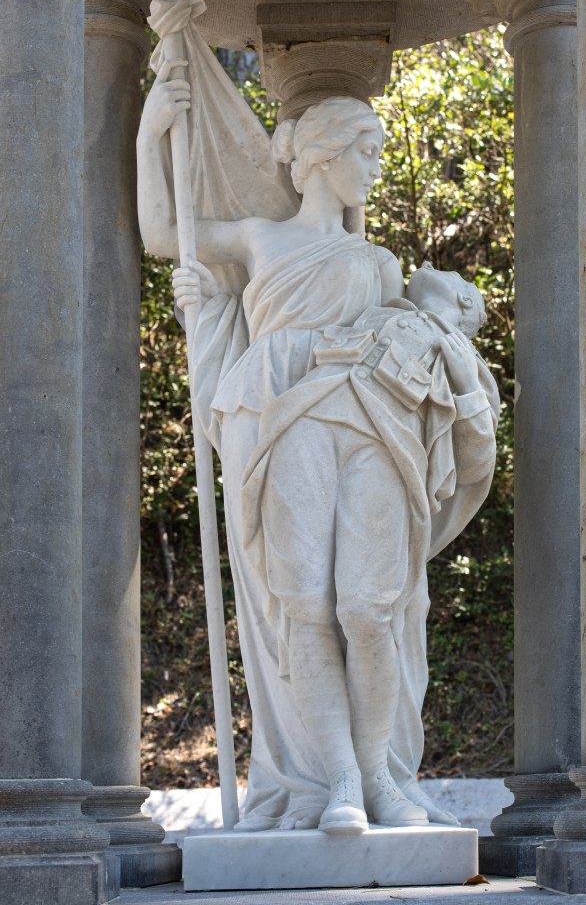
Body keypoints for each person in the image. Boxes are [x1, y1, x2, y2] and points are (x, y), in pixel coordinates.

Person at [138, 77, 498, 834]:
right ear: (325, 155)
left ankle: (381, 778)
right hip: (281, 411)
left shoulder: (382, 263)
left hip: (368, 418)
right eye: (364, 150)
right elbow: (165, 232)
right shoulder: (262, 238)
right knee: (302, 602)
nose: (374, 165)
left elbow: (415, 341)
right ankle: (335, 780)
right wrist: (151, 135)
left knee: (370, 607)